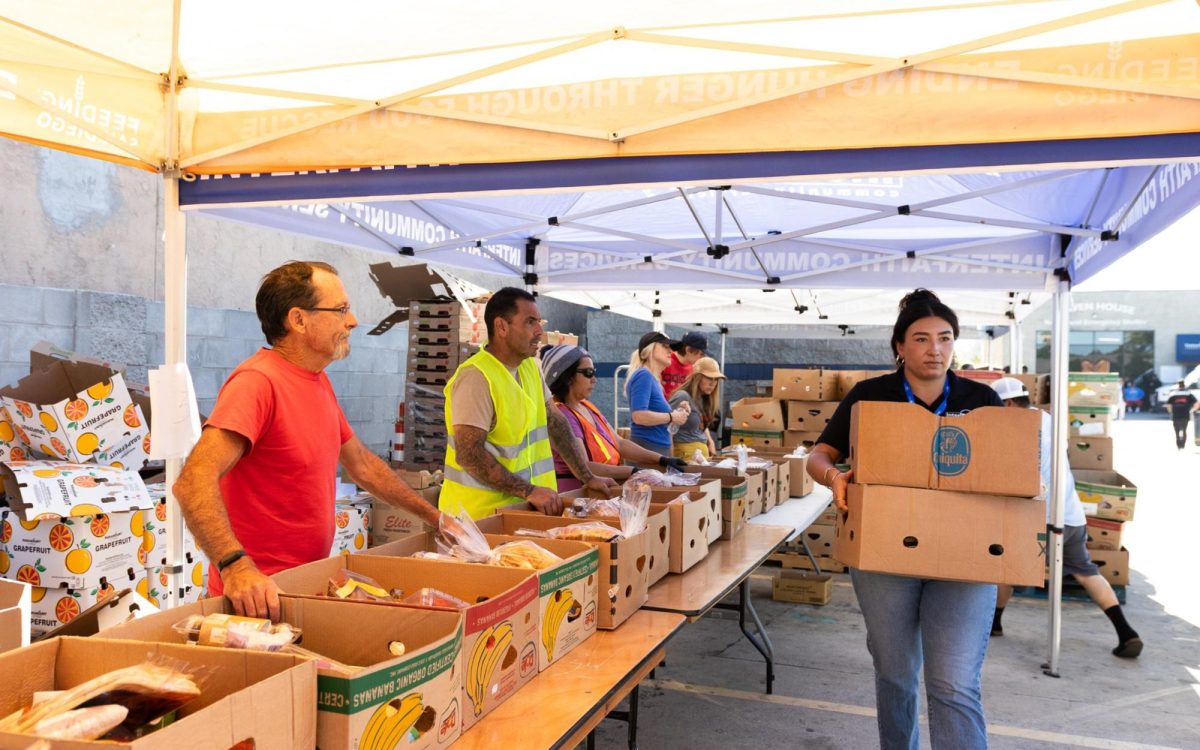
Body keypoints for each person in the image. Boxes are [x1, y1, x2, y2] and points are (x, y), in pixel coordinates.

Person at [173, 261, 447, 621]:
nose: (352, 321)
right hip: (255, 602)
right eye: (341, 310)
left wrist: (435, 518)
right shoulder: (257, 383)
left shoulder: (316, 380)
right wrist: (234, 566)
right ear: (298, 320)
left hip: (302, 588)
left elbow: (363, 465)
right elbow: (193, 481)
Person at [806, 288, 1003, 750]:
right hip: (885, 555)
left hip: (963, 557)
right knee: (896, 675)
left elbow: (1009, 471)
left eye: (945, 338)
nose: (935, 349)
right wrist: (835, 477)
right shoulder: (871, 396)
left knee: (954, 682)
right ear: (899, 345)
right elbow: (818, 455)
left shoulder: (981, 399)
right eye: (921, 338)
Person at [989, 377, 1142, 658]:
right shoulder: (1048, 419)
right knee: (1086, 572)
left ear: (1008, 404)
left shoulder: (1017, 428)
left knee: (1006, 568)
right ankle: (1126, 632)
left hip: (1040, 517)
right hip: (1071, 513)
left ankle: (995, 623)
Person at [440, 288, 618, 519]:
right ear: (501, 327)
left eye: (539, 322)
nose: (539, 331)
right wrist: (529, 491)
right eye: (530, 322)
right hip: (478, 518)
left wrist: (587, 476)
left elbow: (555, 422)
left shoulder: (530, 368)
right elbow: (469, 454)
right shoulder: (476, 378)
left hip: (521, 511)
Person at [540, 344, 686, 491]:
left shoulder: (587, 407)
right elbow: (585, 466)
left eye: (594, 372)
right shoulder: (564, 415)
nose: (594, 379)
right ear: (568, 377)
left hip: (600, 491)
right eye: (589, 373)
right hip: (577, 494)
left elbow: (620, 443)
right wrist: (634, 471)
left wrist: (661, 459)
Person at [626, 331, 690, 456]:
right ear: (650, 349)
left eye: (670, 347)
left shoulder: (651, 378)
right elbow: (639, 416)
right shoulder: (644, 375)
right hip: (647, 448)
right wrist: (672, 416)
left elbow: (651, 415)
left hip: (653, 448)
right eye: (665, 346)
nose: (670, 351)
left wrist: (677, 412)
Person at [668, 356, 726, 461]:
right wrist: (670, 459)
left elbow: (699, 423)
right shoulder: (682, 396)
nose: (713, 383)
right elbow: (667, 428)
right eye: (709, 378)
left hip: (700, 456)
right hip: (684, 455)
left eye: (716, 379)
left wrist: (710, 441)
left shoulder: (703, 398)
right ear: (696, 377)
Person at [661, 331, 708, 398]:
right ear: (688, 350)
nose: (702, 358)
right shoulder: (666, 361)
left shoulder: (693, 369)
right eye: (701, 354)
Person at [1165, 380, 1198, 450]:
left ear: (1178, 385)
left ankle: (1178, 444)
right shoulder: (1188, 393)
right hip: (1185, 414)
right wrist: (1193, 410)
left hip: (1176, 415)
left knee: (1176, 431)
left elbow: (1169, 405)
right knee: (1184, 430)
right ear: (1184, 385)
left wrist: (1170, 412)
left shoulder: (1173, 394)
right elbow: (1196, 403)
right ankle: (1183, 444)